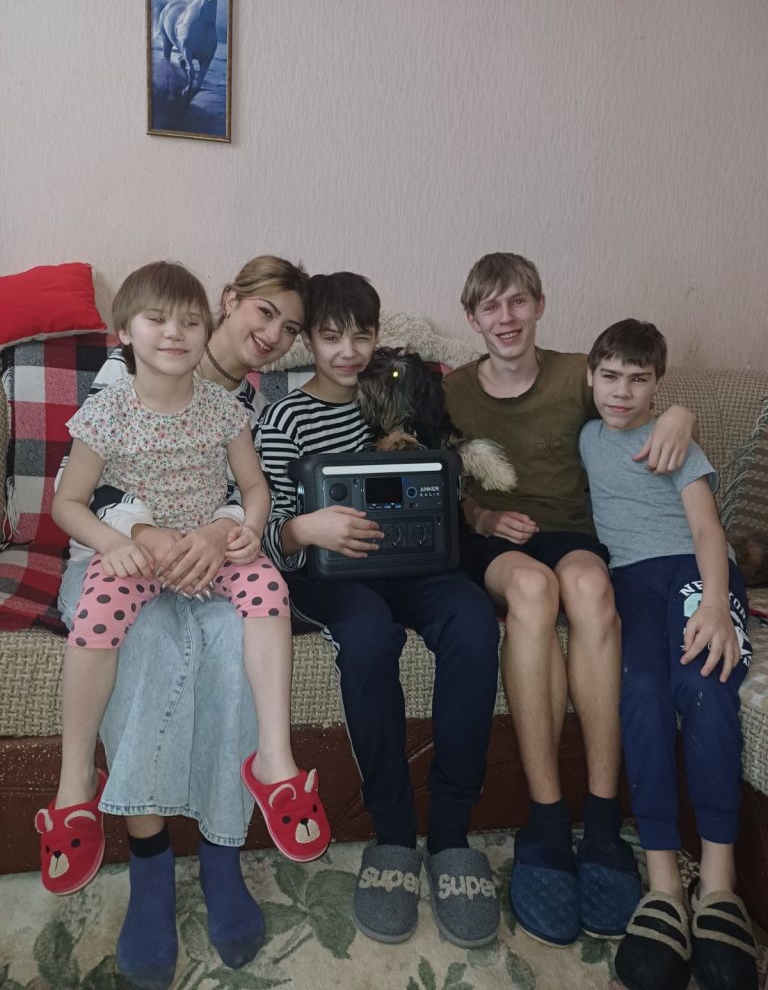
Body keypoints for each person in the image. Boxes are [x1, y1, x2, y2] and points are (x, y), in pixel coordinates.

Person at [53, 255, 310, 990]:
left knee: (245, 625)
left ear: (207, 324)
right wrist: (126, 538)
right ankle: (128, 839)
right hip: (131, 556)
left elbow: (254, 488)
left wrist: (235, 530)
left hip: (213, 555)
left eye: (189, 322)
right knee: (132, 632)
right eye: (158, 320)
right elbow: (75, 497)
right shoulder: (112, 396)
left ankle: (241, 822)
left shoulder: (231, 406)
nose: (175, 333)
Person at [443, 253, 696, 948]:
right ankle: (548, 820)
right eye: (490, 307)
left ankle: (604, 820)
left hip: (574, 534)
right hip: (496, 543)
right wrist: (485, 518)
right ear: (472, 319)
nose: (506, 318)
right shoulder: (452, 390)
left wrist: (681, 411)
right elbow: (435, 481)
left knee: (587, 585)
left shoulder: (575, 375)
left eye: (518, 302)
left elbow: (636, 407)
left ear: (540, 305)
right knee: (532, 587)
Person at [257, 272, 502, 949]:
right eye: (331, 336)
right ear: (308, 340)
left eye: (361, 335)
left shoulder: (392, 399)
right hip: (331, 578)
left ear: (376, 335)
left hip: (416, 566)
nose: (348, 351)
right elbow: (265, 532)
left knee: (473, 620)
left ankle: (450, 835)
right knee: (367, 635)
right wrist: (306, 529)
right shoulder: (282, 418)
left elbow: (439, 473)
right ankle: (392, 832)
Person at [580, 319, 757, 990]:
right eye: (609, 377)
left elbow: (708, 528)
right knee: (640, 693)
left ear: (657, 385)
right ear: (590, 378)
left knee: (705, 683)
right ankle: (663, 885)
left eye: (638, 380)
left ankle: (719, 885)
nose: (621, 392)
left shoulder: (675, 440)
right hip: (630, 582)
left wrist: (714, 603)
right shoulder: (586, 435)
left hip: (693, 572)